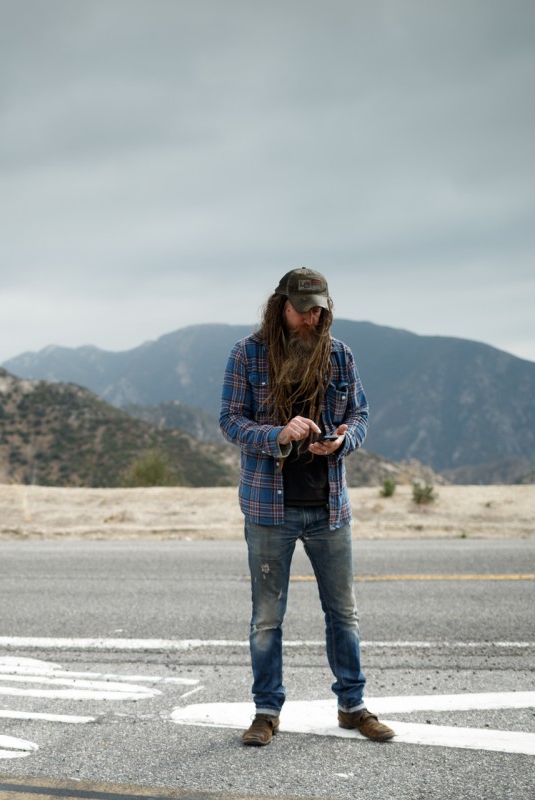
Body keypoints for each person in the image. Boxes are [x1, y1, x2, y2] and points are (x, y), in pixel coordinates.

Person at [219, 267, 394, 747]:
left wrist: (342, 442)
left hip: (329, 507)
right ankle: (265, 712)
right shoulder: (247, 354)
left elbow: (359, 413)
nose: (312, 319)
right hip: (268, 509)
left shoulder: (340, 354)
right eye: (303, 310)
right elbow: (230, 421)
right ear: (281, 307)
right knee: (267, 618)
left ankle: (352, 707)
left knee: (343, 613)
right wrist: (277, 434)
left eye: (319, 309)